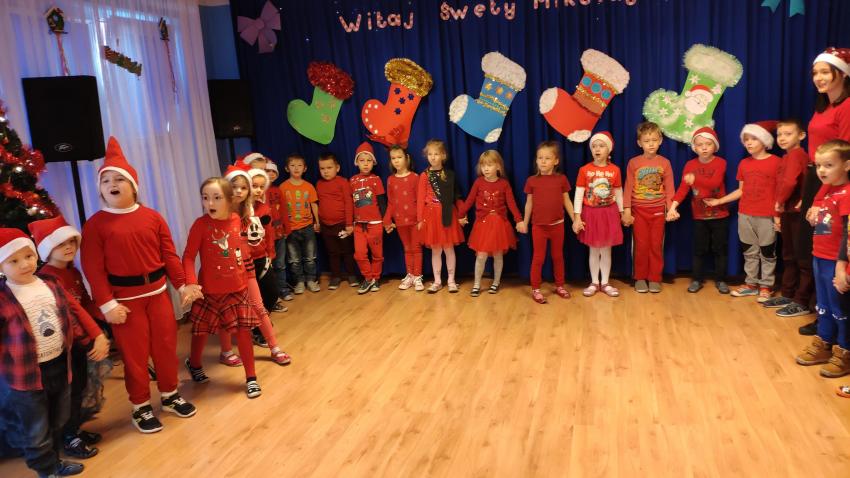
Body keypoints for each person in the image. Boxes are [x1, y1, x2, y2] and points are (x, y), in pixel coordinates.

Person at [80, 137, 199, 434]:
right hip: (125, 302)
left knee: (165, 347)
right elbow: (93, 270)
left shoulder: (152, 217)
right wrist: (108, 305)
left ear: (133, 186)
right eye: (106, 180)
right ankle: (140, 406)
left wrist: (182, 285)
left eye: (119, 178)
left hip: (157, 295)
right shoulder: (95, 225)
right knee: (134, 355)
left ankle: (170, 394)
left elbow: (169, 255)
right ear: (100, 189)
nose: (112, 184)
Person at [0, 228, 109, 478]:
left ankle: (56, 460)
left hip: (59, 365)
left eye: (28, 256)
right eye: (13, 261)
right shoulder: (3, 297)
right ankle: (47, 471)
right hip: (26, 376)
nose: (24, 264)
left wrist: (92, 338)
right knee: (36, 429)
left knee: (58, 418)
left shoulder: (50, 283)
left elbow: (71, 315)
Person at [28, 215, 110, 459]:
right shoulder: (47, 277)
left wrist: (106, 316)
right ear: (46, 249)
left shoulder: (72, 271)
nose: (68, 247)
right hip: (68, 345)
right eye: (60, 244)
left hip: (81, 342)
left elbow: (84, 302)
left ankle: (74, 429)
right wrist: (92, 338)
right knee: (70, 391)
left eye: (71, 242)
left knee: (79, 388)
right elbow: (68, 315)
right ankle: (68, 436)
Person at [182, 177, 263, 398]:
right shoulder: (200, 225)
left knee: (243, 332)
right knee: (201, 330)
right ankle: (194, 364)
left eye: (217, 198)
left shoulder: (237, 220)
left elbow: (241, 250)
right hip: (208, 290)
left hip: (237, 289)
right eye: (205, 197)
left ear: (229, 199)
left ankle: (251, 378)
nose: (210, 203)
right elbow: (188, 257)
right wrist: (191, 282)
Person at [216, 164, 292, 367]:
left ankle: (274, 347)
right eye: (235, 187)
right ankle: (225, 352)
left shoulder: (251, 211)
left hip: (251, 265)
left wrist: (268, 255)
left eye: (243, 187)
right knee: (226, 310)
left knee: (262, 303)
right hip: (228, 270)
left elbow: (264, 236)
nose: (239, 191)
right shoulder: (221, 215)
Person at [799, 47, 850, 336]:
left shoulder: (847, 106)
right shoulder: (824, 107)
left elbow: (842, 160)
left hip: (832, 185)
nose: (818, 77)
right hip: (816, 178)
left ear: (841, 74)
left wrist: (820, 199)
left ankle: (835, 323)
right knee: (816, 247)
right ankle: (822, 315)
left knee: (830, 250)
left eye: (825, 72)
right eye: (815, 73)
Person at [706, 122, 781, 302]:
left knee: (767, 251)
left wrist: (778, 216)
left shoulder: (777, 162)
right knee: (749, 251)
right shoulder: (744, 164)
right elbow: (741, 190)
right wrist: (719, 201)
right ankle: (751, 284)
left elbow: (781, 192)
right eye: (746, 139)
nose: (749, 142)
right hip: (745, 214)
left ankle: (766, 285)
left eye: (753, 139)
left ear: (764, 140)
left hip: (767, 215)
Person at [795, 140, 850, 378]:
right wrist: (815, 214)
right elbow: (825, 218)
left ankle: (845, 351)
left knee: (840, 308)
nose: (822, 170)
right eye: (818, 165)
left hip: (836, 262)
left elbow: (848, 233)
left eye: (828, 165)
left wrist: (841, 266)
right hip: (820, 256)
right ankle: (825, 342)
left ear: (846, 165)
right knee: (824, 305)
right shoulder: (828, 189)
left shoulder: (847, 193)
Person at [666, 127, 730, 294]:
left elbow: (714, 183)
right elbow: (683, 189)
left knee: (720, 250)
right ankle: (696, 279)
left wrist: (695, 179)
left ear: (715, 146)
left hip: (719, 215)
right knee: (698, 250)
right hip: (699, 216)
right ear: (694, 147)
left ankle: (721, 280)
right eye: (700, 145)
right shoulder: (690, 165)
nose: (704, 147)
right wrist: (672, 207)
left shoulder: (721, 163)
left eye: (708, 144)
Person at [516, 141, 576, 304]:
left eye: (547, 158)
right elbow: (529, 203)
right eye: (540, 158)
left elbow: (567, 201)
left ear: (556, 161)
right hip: (539, 227)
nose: (542, 161)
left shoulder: (561, 179)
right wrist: (524, 222)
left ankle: (560, 285)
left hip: (558, 226)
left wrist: (575, 220)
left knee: (558, 257)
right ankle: (536, 288)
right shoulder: (532, 181)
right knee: (538, 258)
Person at [762, 119, 812, 316]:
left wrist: (779, 202)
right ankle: (788, 293)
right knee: (789, 255)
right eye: (779, 135)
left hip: (797, 213)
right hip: (788, 212)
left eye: (788, 134)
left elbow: (790, 182)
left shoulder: (797, 155)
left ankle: (802, 300)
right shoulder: (787, 156)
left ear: (801, 135)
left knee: (801, 257)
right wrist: (779, 210)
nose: (782, 138)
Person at [458, 150, 521, 297]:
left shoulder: (504, 184)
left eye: (489, 165)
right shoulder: (478, 182)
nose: (485, 168)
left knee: (498, 254)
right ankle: (477, 284)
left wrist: (519, 220)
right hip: (483, 224)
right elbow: (469, 201)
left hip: (499, 224)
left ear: (498, 166)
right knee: (481, 255)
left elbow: (511, 204)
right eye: (483, 165)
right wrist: (460, 215)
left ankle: (496, 282)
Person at [622, 122, 675, 293]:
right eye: (646, 141)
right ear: (639, 143)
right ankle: (640, 277)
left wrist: (671, 209)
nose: (651, 144)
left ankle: (654, 278)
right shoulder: (633, 163)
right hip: (639, 211)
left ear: (660, 141)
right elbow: (628, 188)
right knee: (641, 246)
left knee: (656, 245)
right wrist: (627, 210)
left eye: (654, 140)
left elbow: (669, 188)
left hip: (658, 210)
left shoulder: (665, 163)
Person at [572, 132, 624, 297]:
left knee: (606, 250)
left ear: (609, 149)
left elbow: (619, 192)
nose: (597, 149)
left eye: (601, 146)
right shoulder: (584, 170)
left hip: (609, 213)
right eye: (594, 146)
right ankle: (594, 282)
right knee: (594, 250)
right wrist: (577, 216)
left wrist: (622, 212)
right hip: (591, 214)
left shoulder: (615, 170)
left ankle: (605, 282)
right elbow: (578, 194)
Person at [417, 139, 465, 293]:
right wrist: (419, 219)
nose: (433, 157)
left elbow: (457, 196)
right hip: (431, 216)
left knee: (449, 248)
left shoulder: (450, 174)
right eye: (430, 154)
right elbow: (420, 198)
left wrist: (462, 214)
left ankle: (451, 280)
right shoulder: (424, 175)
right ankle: (437, 281)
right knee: (436, 250)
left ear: (443, 155)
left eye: (436, 154)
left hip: (448, 214)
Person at [316, 153, 358, 290]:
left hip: (342, 224)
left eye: (329, 168)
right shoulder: (319, 184)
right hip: (326, 226)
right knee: (332, 252)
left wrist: (349, 223)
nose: (326, 171)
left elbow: (349, 203)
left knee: (347, 251)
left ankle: (351, 275)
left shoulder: (343, 182)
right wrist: (319, 222)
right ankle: (335, 276)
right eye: (322, 168)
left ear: (337, 168)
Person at [384, 146, 423, 291]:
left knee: (416, 248)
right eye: (393, 158)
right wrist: (387, 219)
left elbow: (420, 200)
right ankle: (410, 275)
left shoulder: (415, 177)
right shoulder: (390, 180)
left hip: (415, 221)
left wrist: (420, 219)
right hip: (400, 222)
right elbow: (391, 202)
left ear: (407, 158)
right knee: (407, 248)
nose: (396, 161)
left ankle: (417, 276)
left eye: (399, 157)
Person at [280, 154, 320, 294]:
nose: (296, 168)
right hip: (290, 229)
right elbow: (280, 208)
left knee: (310, 257)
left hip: (307, 226)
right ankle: (299, 282)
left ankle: (311, 280)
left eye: (299, 165)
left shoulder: (308, 186)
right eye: (292, 165)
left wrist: (317, 222)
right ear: (287, 168)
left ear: (305, 168)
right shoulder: (283, 187)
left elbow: (314, 204)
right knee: (294, 259)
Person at [350, 142, 386, 294]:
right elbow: (350, 203)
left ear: (373, 162)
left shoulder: (376, 179)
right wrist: (349, 223)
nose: (365, 164)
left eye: (369, 160)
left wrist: (386, 221)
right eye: (362, 160)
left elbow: (382, 202)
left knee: (377, 254)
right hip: (359, 225)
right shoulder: (352, 180)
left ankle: (376, 278)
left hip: (375, 223)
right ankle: (368, 277)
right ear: (357, 162)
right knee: (359, 254)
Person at [265, 160, 294, 309]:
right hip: (266, 237)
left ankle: (283, 289)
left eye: (273, 172)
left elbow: (283, 210)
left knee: (280, 264)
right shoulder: (259, 192)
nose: (270, 174)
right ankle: (272, 294)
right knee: (268, 266)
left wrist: (287, 229)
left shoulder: (278, 190)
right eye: (267, 171)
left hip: (279, 233)